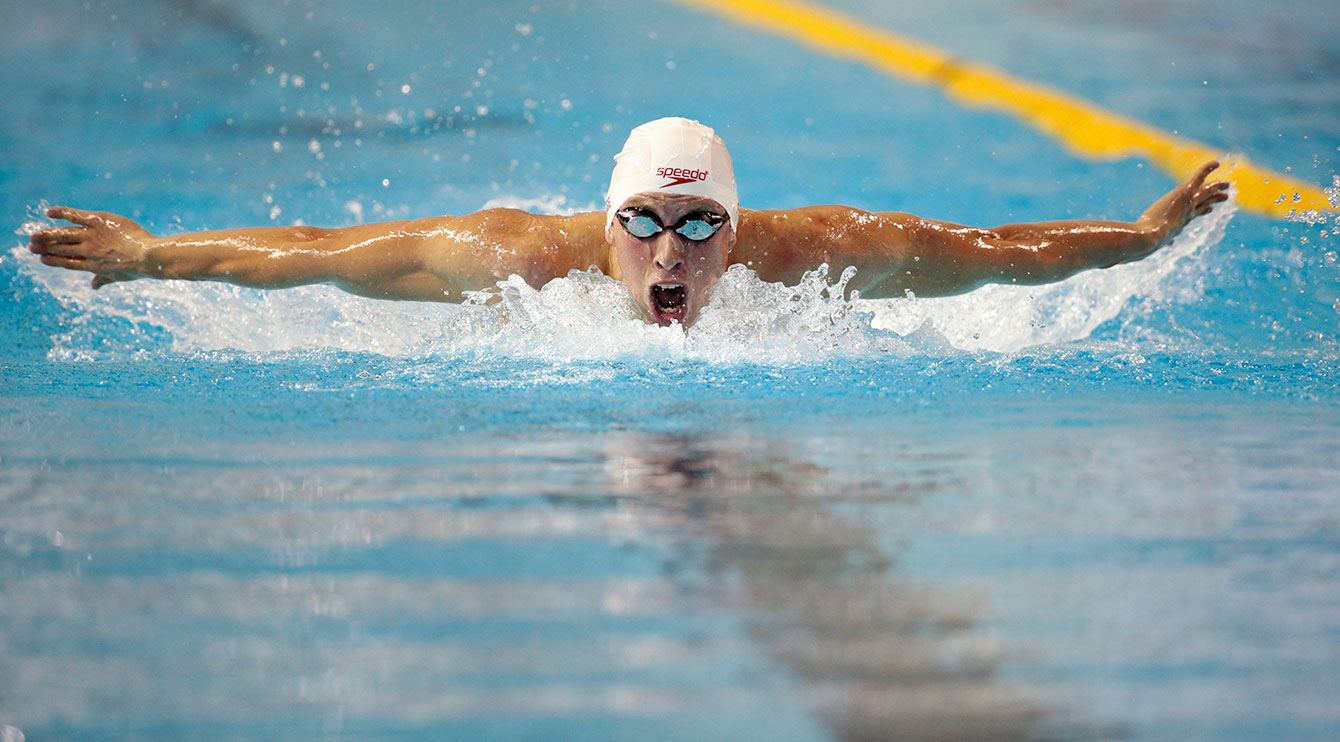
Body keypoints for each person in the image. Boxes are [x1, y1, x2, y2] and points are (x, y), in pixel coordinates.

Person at [28, 117, 1229, 328]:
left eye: (701, 228)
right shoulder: (515, 258)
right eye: (645, 225)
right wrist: (152, 256)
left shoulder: (807, 253)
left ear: (736, 227)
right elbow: (320, 257)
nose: (670, 254)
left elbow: (990, 255)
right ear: (603, 225)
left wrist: (1139, 235)